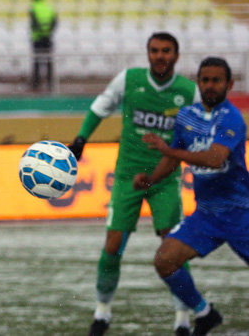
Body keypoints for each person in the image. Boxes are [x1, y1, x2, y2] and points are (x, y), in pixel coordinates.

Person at [67, 32, 200, 336]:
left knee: (173, 248)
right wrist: (80, 140)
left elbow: (200, 131)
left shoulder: (187, 91)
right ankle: (102, 312)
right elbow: (101, 106)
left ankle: (182, 316)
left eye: (166, 51)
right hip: (128, 176)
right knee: (113, 245)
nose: (160, 56)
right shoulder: (129, 80)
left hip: (165, 180)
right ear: (147, 53)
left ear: (176, 56)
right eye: (154, 50)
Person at [134, 56, 247, 336]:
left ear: (229, 84)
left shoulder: (232, 117)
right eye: (205, 80)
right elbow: (172, 159)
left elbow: (214, 159)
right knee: (164, 259)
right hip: (206, 214)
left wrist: (169, 150)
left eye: (216, 80)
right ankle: (205, 314)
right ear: (198, 82)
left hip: (240, 212)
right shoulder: (186, 116)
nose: (210, 86)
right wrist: (150, 180)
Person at [29, 0, 57, 91]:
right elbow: (55, 21)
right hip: (48, 37)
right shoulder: (49, 7)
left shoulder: (33, 7)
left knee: (37, 61)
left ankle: (36, 85)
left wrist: (40, 33)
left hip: (38, 38)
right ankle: (50, 84)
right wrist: (48, 32)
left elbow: (33, 23)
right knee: (49, 61)